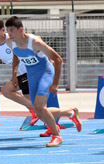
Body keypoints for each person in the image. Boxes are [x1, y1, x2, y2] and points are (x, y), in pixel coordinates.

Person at [0, 16, 80, 132]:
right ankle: (62, 116)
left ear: (2, 30)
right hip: (25, 73)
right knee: (37, 107)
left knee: (12, 93)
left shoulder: (14, 38)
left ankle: (53, 125)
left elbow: (34, 42)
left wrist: (46, 57)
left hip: (32, 71)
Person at [4, 16, 82, 147]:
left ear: (20, 29)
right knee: (39, 112)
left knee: (40, 107)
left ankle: (56, 135)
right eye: (8, 30)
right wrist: (14, 75)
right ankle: (71, 112)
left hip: (45, 73)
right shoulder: (9, 42)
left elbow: (58, 59)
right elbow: (16, 56)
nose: (9, 33)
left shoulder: (35, 42)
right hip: (31, 75)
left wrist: (55, 83)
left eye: (12, 30)